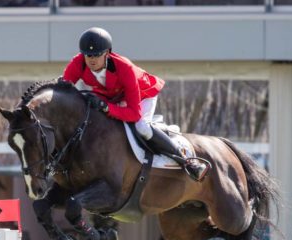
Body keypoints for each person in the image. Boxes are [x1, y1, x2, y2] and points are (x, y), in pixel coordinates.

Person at [62, 27, 209, 182]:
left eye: (97, 55)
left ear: (107, 53)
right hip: (112, 97)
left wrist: (106, 107)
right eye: (88, 55)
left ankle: (186, 161)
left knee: (142, 127)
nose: (92, 59)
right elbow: (63, 88)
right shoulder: (78, 63)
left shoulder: (125, 68)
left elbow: (134, 113)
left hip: (143, 95)